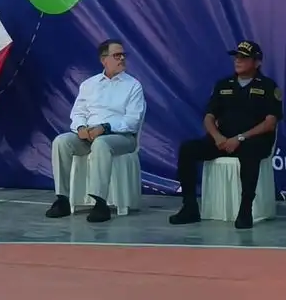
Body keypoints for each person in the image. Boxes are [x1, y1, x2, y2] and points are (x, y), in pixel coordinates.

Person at [169, 41, 283, 229]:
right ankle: (189, 207)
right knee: (188, 149)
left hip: (252, 140)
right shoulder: (223, 84)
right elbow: (209, 117)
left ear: (257, 63)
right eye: (236, 57)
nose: (237, 61)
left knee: (250, 153)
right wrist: (218, 137)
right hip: (223, 140)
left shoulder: (268, 86)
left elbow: (270, 123)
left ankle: (245, 210)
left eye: (244, 58)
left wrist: (240, 138)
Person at [45, 39, 145, 223]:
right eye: (117, 55)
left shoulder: (133, 86)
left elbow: (132, 121)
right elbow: (78, 113)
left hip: (121, 138)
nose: (122, 58)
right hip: (89, 135)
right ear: (103, 60)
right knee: (61, 141)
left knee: (101, 143)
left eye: (123, 55)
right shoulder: (89, 84)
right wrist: (81, 128)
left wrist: (105, 128)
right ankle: (62, 199)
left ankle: (100, 203)